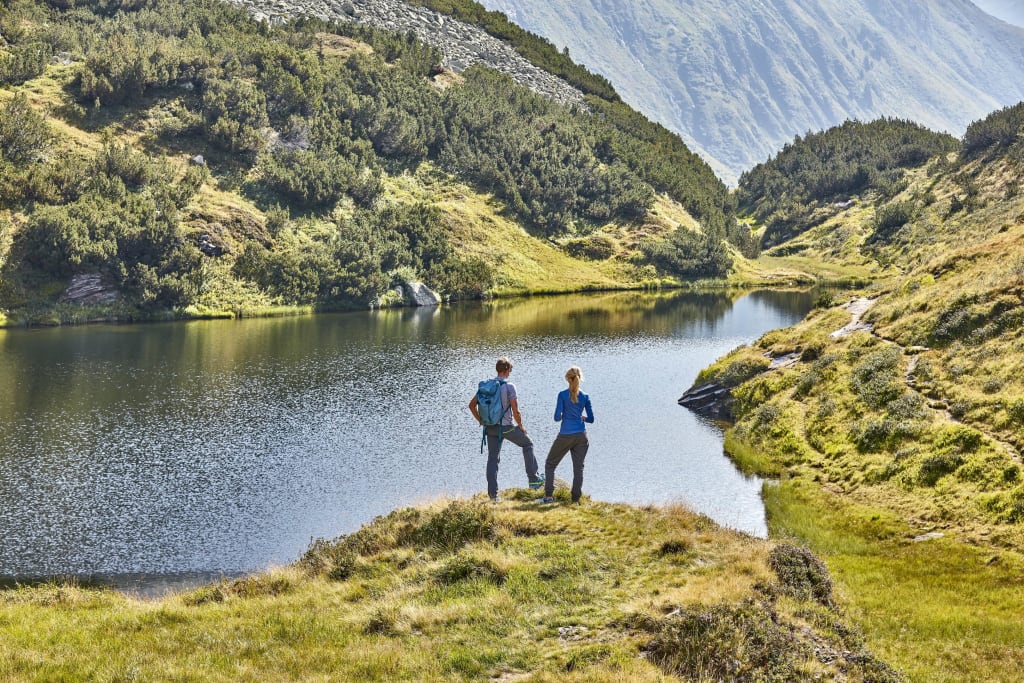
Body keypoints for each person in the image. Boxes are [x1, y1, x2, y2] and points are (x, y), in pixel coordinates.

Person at [469, 357, 544, 502]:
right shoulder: (509, 386)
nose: (510, 372)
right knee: (528, 444)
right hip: (506, 427)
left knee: (492, 459)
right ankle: (534, 480)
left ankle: (493, 496)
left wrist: (481, 421)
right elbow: (516, 411)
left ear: (498, 369)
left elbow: (471, 405)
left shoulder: (486, 385)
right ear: (507, 370)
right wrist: (521, 426)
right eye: (510, 369)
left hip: (490, 428)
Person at [541, 366, 594, 504]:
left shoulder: (562, 395)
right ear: (579, 378)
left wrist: (564, 414)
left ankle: (548, 496)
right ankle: (575, 500)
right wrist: (582, 418)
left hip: (565, 435)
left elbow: (556, 418)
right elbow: (591, 419)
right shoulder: (585, 396)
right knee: (578, 469)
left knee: (550, 464)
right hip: (581, 436)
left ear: (568, 379)